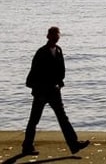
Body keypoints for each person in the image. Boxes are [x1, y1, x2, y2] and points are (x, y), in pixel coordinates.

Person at [21, 26, 89, 155]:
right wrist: (38, 88)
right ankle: (27, 146)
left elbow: (61, 69)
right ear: (48, 36)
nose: (56, 37)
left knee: (63, 118)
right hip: (41, 92)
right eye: (54, 35)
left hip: (54, 91)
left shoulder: (58, 50)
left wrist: (60, 82)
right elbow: (35, 71)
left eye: (57, 35)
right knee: (34, 119)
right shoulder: (41, 52)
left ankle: (74, 144)